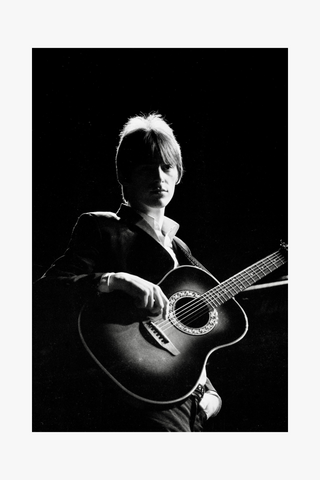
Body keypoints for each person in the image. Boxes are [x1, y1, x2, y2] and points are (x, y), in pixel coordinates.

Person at [33, 113, 222, 432]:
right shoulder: (100, 226)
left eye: (166, 167)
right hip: (132, 399)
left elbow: (188, 331)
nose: (159, 177)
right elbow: (47, 290)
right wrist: (117, 280)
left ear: (178, 175)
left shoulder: (181, 250)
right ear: (124, 175)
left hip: (190, 404)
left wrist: (210, 392)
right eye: (147, 167)